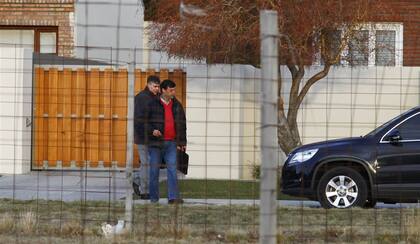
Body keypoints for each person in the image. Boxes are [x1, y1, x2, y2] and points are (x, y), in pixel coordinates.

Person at [148, 79, 187, 204]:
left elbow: (182, 124)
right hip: (155, 143)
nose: (173, 92)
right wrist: (152, 130)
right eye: (171, 90)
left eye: (174, 90)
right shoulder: (152, 103)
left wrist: (182, 142)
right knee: (154, 171)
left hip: (171, 143)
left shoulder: (177, 105)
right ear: (163, 90)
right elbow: (143, 121)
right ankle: (154, 198)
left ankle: (173, 198)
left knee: (172, 170)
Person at [133, 75, 161, 199]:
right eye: (155, 86)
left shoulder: (155, 98)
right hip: (143, 136)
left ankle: (136, 180)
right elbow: (139, 120)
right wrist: (151, 130)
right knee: (146, 163)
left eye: (158, 86)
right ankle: (144, 191)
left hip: (154, 136)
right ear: (149, 85)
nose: (157, 89)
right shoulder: (141, 98)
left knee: (151, 163)